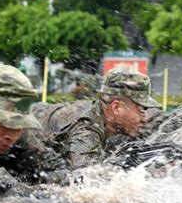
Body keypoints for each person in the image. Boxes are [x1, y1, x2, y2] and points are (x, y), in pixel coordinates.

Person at [30, 67, 162, 169]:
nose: (143, 118)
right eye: (141, 109)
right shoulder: (86, 130)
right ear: (116, 108)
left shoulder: (105, 118)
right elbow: (87, 179)